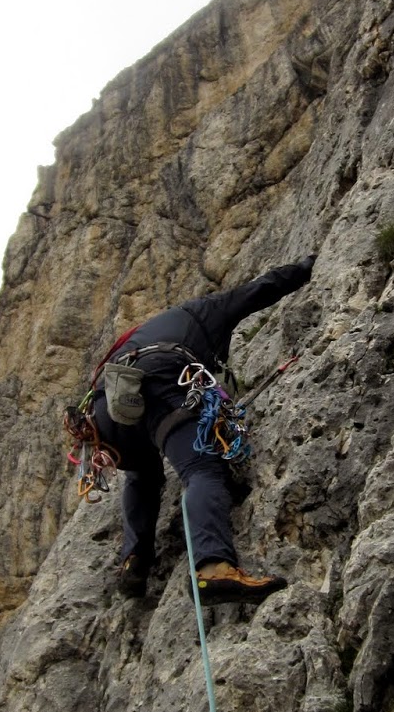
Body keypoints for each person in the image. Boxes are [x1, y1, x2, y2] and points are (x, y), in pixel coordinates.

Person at [90, 255, 315, 604]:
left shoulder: (143, 333)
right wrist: (309, 266)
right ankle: (213, 569)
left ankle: (134, 561)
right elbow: (261, 289)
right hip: (159, 379)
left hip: (105, 408)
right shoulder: (204, 310)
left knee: (142, 475)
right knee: (202, 469)